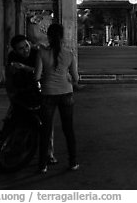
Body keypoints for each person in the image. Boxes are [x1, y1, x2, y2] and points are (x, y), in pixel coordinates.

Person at [5, 35, 57, 164]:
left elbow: (45, 73)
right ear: (15, 50)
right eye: (21, 49)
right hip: (22, 93)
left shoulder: (37, 54)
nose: (25, 50)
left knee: (46, 124)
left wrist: (24, 67)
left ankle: (48, 154)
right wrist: (11, 95)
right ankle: (9, 147)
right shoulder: (12, 57)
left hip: (41, 93)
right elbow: (10, 78)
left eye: (26, 46)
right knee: (12, 120)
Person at [35, 23, 80, 173]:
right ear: (62, 37)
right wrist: (67, 76)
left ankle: (42, 165)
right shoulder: (69, 53)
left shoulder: (41, 53)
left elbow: (36, 76)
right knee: (68, 129)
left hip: (47, 93)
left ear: (48, 36)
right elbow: (76, 78)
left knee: (45, 131)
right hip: (66, 93)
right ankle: (73, 162)